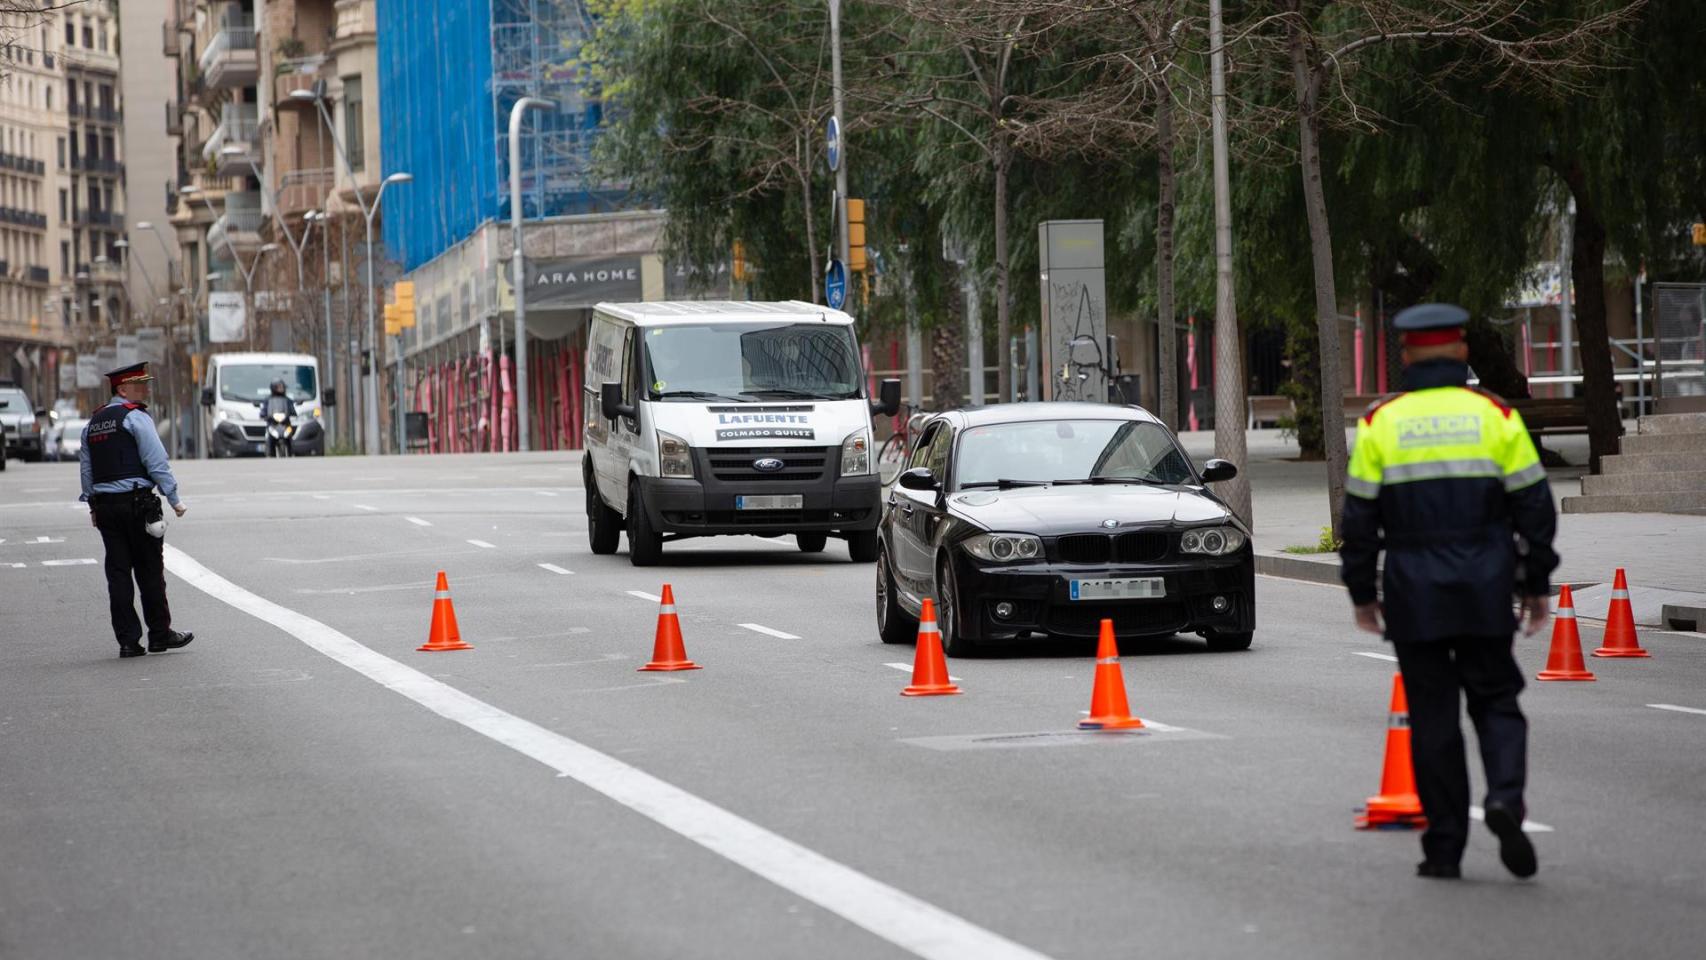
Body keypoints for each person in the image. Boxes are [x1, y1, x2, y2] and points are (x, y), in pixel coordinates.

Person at [1339, 303, 1557, 881]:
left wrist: (1362, 591)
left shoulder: (1380, 423)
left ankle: (1443, 850)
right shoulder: (1496, 415)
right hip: (1487, 585)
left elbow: (1358, 519)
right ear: (1462, 352)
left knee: (1433, 719)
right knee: (1497, 701)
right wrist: (1536, 582)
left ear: (1406, 356)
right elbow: (1535, 505)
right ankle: (1505, 798)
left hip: (1415, 592)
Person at [79, 362, 194, 660]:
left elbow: (87, 470)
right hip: (137, 504)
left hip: (106, 509)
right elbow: (156, 461)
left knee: (118, 575)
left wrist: (92, 504)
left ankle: (128, 642)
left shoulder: (93, 423)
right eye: (139, 385)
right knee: (149, 571)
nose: (146, 389)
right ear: (122, 389)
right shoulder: (135, 417)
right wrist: (174, 498)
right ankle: (159, 635)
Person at [259, 378, 297, 457]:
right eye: (279, 387)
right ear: (274, 388)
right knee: (268, 436)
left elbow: (292, 410)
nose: (281, 389)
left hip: (285, 423)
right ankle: (269, 452)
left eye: (282, 387)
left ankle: (291, 451)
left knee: (290, 434)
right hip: (273, 423)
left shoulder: (287, 400)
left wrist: (292, 414)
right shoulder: (268, 400)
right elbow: (264, 410)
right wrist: (265, 415)